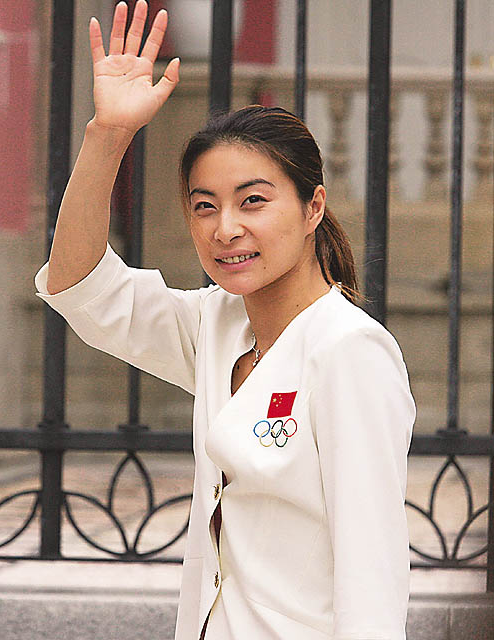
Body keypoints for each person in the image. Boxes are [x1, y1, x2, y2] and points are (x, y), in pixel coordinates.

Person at [34, 2, 416, 639]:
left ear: (313, 207)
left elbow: (371, 569)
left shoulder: (349, 350)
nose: (226, 228)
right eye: (205, 206)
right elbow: (82, 286)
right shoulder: (217, 324)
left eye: (253, 201)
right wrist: (108, 134)